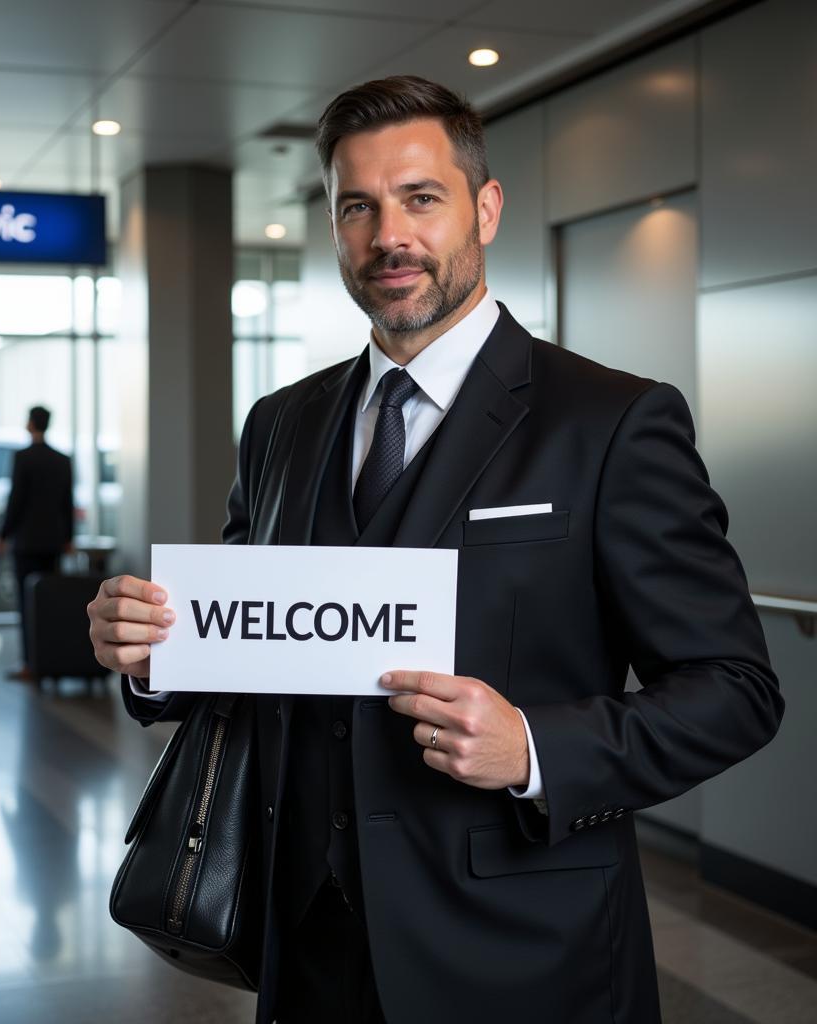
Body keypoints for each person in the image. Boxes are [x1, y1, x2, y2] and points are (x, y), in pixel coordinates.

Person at [87, 76, 784, 1024]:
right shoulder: (282, 426)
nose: (389, 237)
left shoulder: (612, 421)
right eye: (357, 207)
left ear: (484, 208)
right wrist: (153, 655)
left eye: (421, 198)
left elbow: (735, 688)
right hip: (306, 951)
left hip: (521, 953)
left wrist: (535, 746)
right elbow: (253, 647)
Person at [0, 406, 73, 682]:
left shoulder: (23, 458)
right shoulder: (62, 460)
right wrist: (68, 538)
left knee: (27, 604)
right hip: (53, 541)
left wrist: (3, 534)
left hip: (26, 542)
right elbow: (67, 503)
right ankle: (50, 661)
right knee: (50, 603)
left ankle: (30, 663)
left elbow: (16, 501)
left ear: (30, 424)